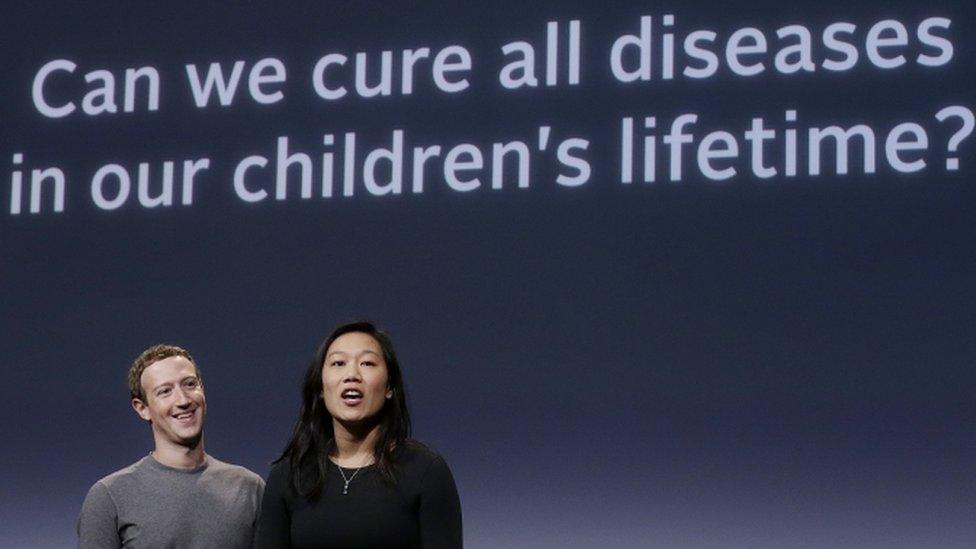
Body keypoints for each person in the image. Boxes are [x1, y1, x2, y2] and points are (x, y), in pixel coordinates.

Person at [256, 321, 462, 548]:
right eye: (338, 363)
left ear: (389, 387)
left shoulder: (426, 470)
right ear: (321, 388)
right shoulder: (289, 476)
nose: (352, 374)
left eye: (367, 363)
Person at [77, 344, 265, 548]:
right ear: (142, 409)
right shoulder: (109, 497)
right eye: (165, 391)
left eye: (190, 384)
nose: (183, 400)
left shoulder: (248, 488)